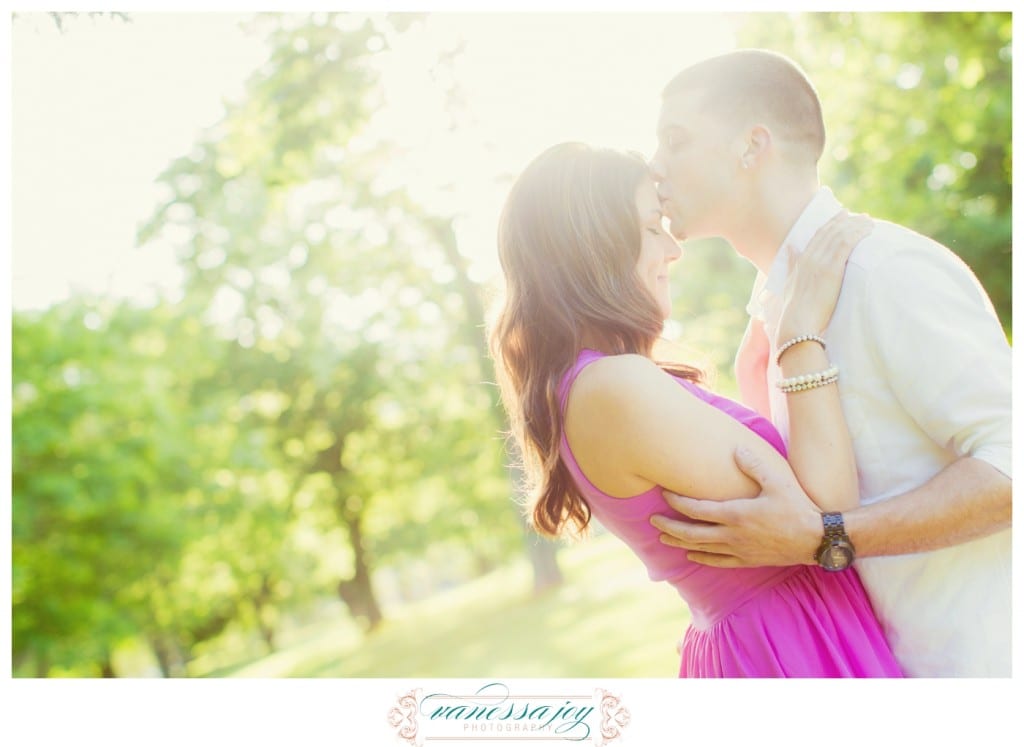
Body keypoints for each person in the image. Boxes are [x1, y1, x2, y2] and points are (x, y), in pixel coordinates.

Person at [647, 49, 1011, 677]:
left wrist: (828, 536)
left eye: (674, 141)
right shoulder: (775, 316)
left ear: (751, 146)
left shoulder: (883, 272)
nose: (655, 167)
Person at [488, 141, 901, 677]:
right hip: (787, 647)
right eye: (651, 226)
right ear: (595, 246)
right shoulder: (613, 387)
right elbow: (828, 509)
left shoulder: (596, 384)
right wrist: (800, 335)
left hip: (778, 634)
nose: (673, 248)